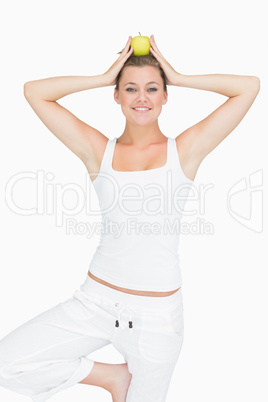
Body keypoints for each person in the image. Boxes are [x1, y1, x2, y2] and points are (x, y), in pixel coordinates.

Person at [0, 34, 260, 402]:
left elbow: (248, 88)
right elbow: (33, 91)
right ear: (117, 96)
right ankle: (111, 377)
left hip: (157, 319)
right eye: (131, 89)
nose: (142, 98)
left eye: (153, 89)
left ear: (165, 97)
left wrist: (178, 75)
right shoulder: (98, 151)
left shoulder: (184, 151)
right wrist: (104, 77)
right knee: (7, 362)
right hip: (96, 302)